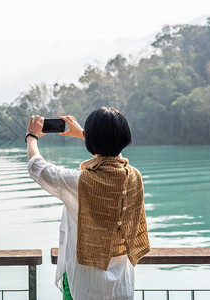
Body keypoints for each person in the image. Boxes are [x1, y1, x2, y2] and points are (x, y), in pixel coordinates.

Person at [26, 107, 150, 300]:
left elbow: (38, 167)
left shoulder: (79, 183)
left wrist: (32, 136)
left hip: (85, 286)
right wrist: (86, 135)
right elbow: (110, 156)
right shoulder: (133, 176)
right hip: (122, 286)